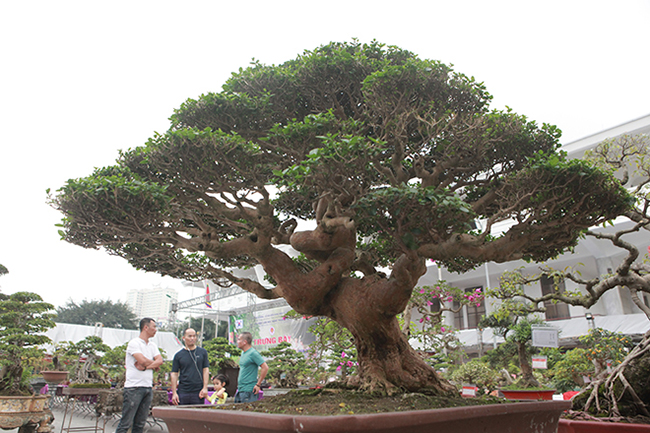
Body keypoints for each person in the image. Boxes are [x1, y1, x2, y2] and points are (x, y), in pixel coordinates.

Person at [115, 318, 163, 433]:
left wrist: (147, 366)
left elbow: (159, 361)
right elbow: (141, 360)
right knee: (126, 423)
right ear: (145, 327)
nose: (155, 330)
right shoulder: (134, 343)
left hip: (147, 387)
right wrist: (154, 364)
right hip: (133, 388)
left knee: (140, 423)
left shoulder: (152, 345)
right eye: (154, 327)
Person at [170, 328, 210, 405]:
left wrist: (205, 387)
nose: (192, 338)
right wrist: (174, 393)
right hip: (183, 391)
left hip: (198, 391)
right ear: (184, 338)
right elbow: (174, 373)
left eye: (194, 336)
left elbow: (205, 369)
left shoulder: (202, 352)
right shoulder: (179, 355)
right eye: (189, 336)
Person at [234, 332, 269, 403]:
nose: (237, 342)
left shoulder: (253, 353)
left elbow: (265, 367)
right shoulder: (243, 353)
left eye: (239, 339)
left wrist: (258, 384)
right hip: (241, 390)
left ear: (245, 342)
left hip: (249, 391)